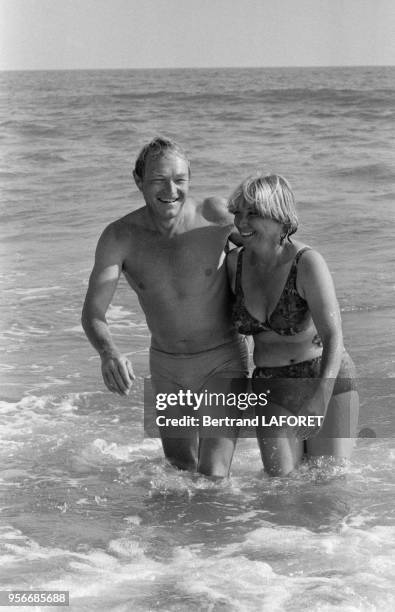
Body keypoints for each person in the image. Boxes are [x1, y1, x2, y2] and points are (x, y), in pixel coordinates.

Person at [81, 137, 248, 477]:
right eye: (158, 179)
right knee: (179, 473)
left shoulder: (214, 215)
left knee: (214, 475)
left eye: (179, 180)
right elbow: (93, 312)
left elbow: (274, 249)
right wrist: (108, 352)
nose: (170, 189)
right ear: (138, 180)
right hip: (167, 368)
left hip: (224, 359)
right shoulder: (120, 237)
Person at [227, 174, 359, 476]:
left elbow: (333, 335)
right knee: (280, 488)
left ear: (282, 220)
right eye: (238, 213)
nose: (241, 222)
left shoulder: (307, 263)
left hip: (323, 378)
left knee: (328, 483)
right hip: (271, 384)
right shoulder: (234, 263)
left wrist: (321, 397)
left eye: (253, 213)